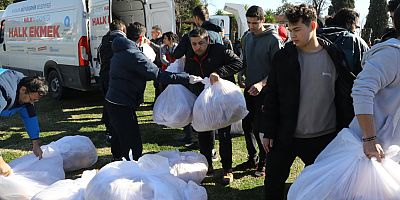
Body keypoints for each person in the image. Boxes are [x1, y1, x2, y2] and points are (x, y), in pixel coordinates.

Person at [287, 7, 400, 199]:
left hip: (389, 148)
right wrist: (370, 139)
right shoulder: (392, 55)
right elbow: (361, 90)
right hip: (370, 150)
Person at [260, 4, 355, 199]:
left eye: (296, 30)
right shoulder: (283, 57)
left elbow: (345, 95)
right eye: (289, 29)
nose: (291, 35)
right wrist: (269, 130)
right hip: (285, 135)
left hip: (324, 138)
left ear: (312, 26)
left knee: (324, 189)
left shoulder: (334, 55)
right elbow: (272, 96)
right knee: (272, 184)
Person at [105, 23, 201, 161]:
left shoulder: (120, 49)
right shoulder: (133, 54)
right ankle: (129, 165)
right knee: (132, 141)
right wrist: (186, 78)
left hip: (114, 99)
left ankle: (119, 160)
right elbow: (157, 74)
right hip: (122, 102)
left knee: (119, 135)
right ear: (142, 37)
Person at [184, 27, 243, 185]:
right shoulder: (190, 55)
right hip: (202, 100)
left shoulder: (220, 50)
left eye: (201, 43)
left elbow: (238, 62)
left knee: (224, 134)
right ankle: (207, 166)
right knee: (203, 133)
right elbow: (187, 72)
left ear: (208, 40)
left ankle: (227, 169)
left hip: (222, 100)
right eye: (194, 44)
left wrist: (219, 72)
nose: (198, 47)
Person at [234, 5, 283, 177]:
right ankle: (252, 158)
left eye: (255, 23)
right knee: (247, 125)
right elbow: (244, 59)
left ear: (263, 20)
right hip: (249, 89)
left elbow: (278, 70)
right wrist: (241, 73)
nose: (251, 26)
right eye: (249, 23)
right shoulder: (247, 37)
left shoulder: (274, 40)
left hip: (267, 92)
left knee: (261, 128)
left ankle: (263, 162)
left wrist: (262, 84)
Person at [0, 69, 48, 160]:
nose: (31, 103)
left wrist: (35, 144)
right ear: (23, 90)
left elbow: (30, 119)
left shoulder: (28, 87)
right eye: (31, 99)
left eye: (34, 101)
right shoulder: (3, 92)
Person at [98, 19, 126, 144]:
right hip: (116, 78)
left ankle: (109, 130)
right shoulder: (123, 41)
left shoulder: (104, 40)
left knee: (107, 103)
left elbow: (99, 58)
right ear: (122, 29)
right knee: (117, 106)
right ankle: (115, 132)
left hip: (104, 75)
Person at [318, 8, 369, 75]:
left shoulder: (316, 35)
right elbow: (368, 71)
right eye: (356, 27)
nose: (355, 31)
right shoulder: (354, 40)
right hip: (348, 84)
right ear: (349, 23)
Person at [149, 25, 164, 102]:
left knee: (160, 84)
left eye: (153, 32)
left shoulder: (162, 40)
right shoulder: (152, 40)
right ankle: (156, 100)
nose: (151, 34)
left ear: (158, 33)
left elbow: (160, 49)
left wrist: (150, 44)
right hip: (155, 65)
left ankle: (159, 101)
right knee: (156, 84)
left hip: (161, 65)